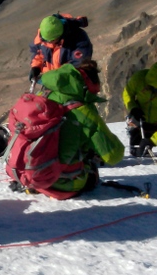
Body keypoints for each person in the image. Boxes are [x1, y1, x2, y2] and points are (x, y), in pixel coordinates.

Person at [38, 61, 124, 195]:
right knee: (88, 173)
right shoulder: (83, 111)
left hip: (30, 174)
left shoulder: (40, 98)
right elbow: (114, 155)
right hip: (60, 181)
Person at [29, 13, 93, 83]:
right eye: (45, 41)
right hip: (53, 81)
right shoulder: (44, 36)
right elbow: (39, 52)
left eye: (51, 41)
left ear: (60, 36)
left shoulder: (79, 39)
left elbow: (78, 64)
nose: (48, 43)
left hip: (71, 82)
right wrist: (36, 67)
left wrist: (53, 78)